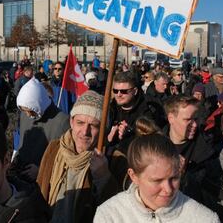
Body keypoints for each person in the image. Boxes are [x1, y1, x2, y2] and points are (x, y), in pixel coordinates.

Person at [94, 133, 220, 222]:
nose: (168, 189)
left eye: (174, 178)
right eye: (157, 180)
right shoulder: (110, 215)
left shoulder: (204, 218)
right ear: (134, 176)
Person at [37, 90, 121, 222]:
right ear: (71, 122)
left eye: (93, 125)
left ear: (103, 128)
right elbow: (39, 193)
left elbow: (120, 212)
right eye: (80, 123)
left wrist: (104, 178)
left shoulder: (113, 160)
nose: (85, 132)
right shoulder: (54, 149)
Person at [12, 78, 70, 182]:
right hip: (21, 177)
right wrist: (14, 162)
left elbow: (64, 159)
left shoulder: (62, 121)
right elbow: (22, 144)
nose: (28, 115)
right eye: (25, 111)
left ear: (40, 102)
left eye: (31, 111)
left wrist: (41, 170)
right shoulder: (25, 115)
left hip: (44, 181)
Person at [107, 71, 164, 154]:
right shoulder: (111, 108)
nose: (118, 94)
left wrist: (130, 133)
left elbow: (152, 141)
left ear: (135, 91)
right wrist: (109, 138)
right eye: (115, 91)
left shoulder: (149, 109)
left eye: (124, 91)